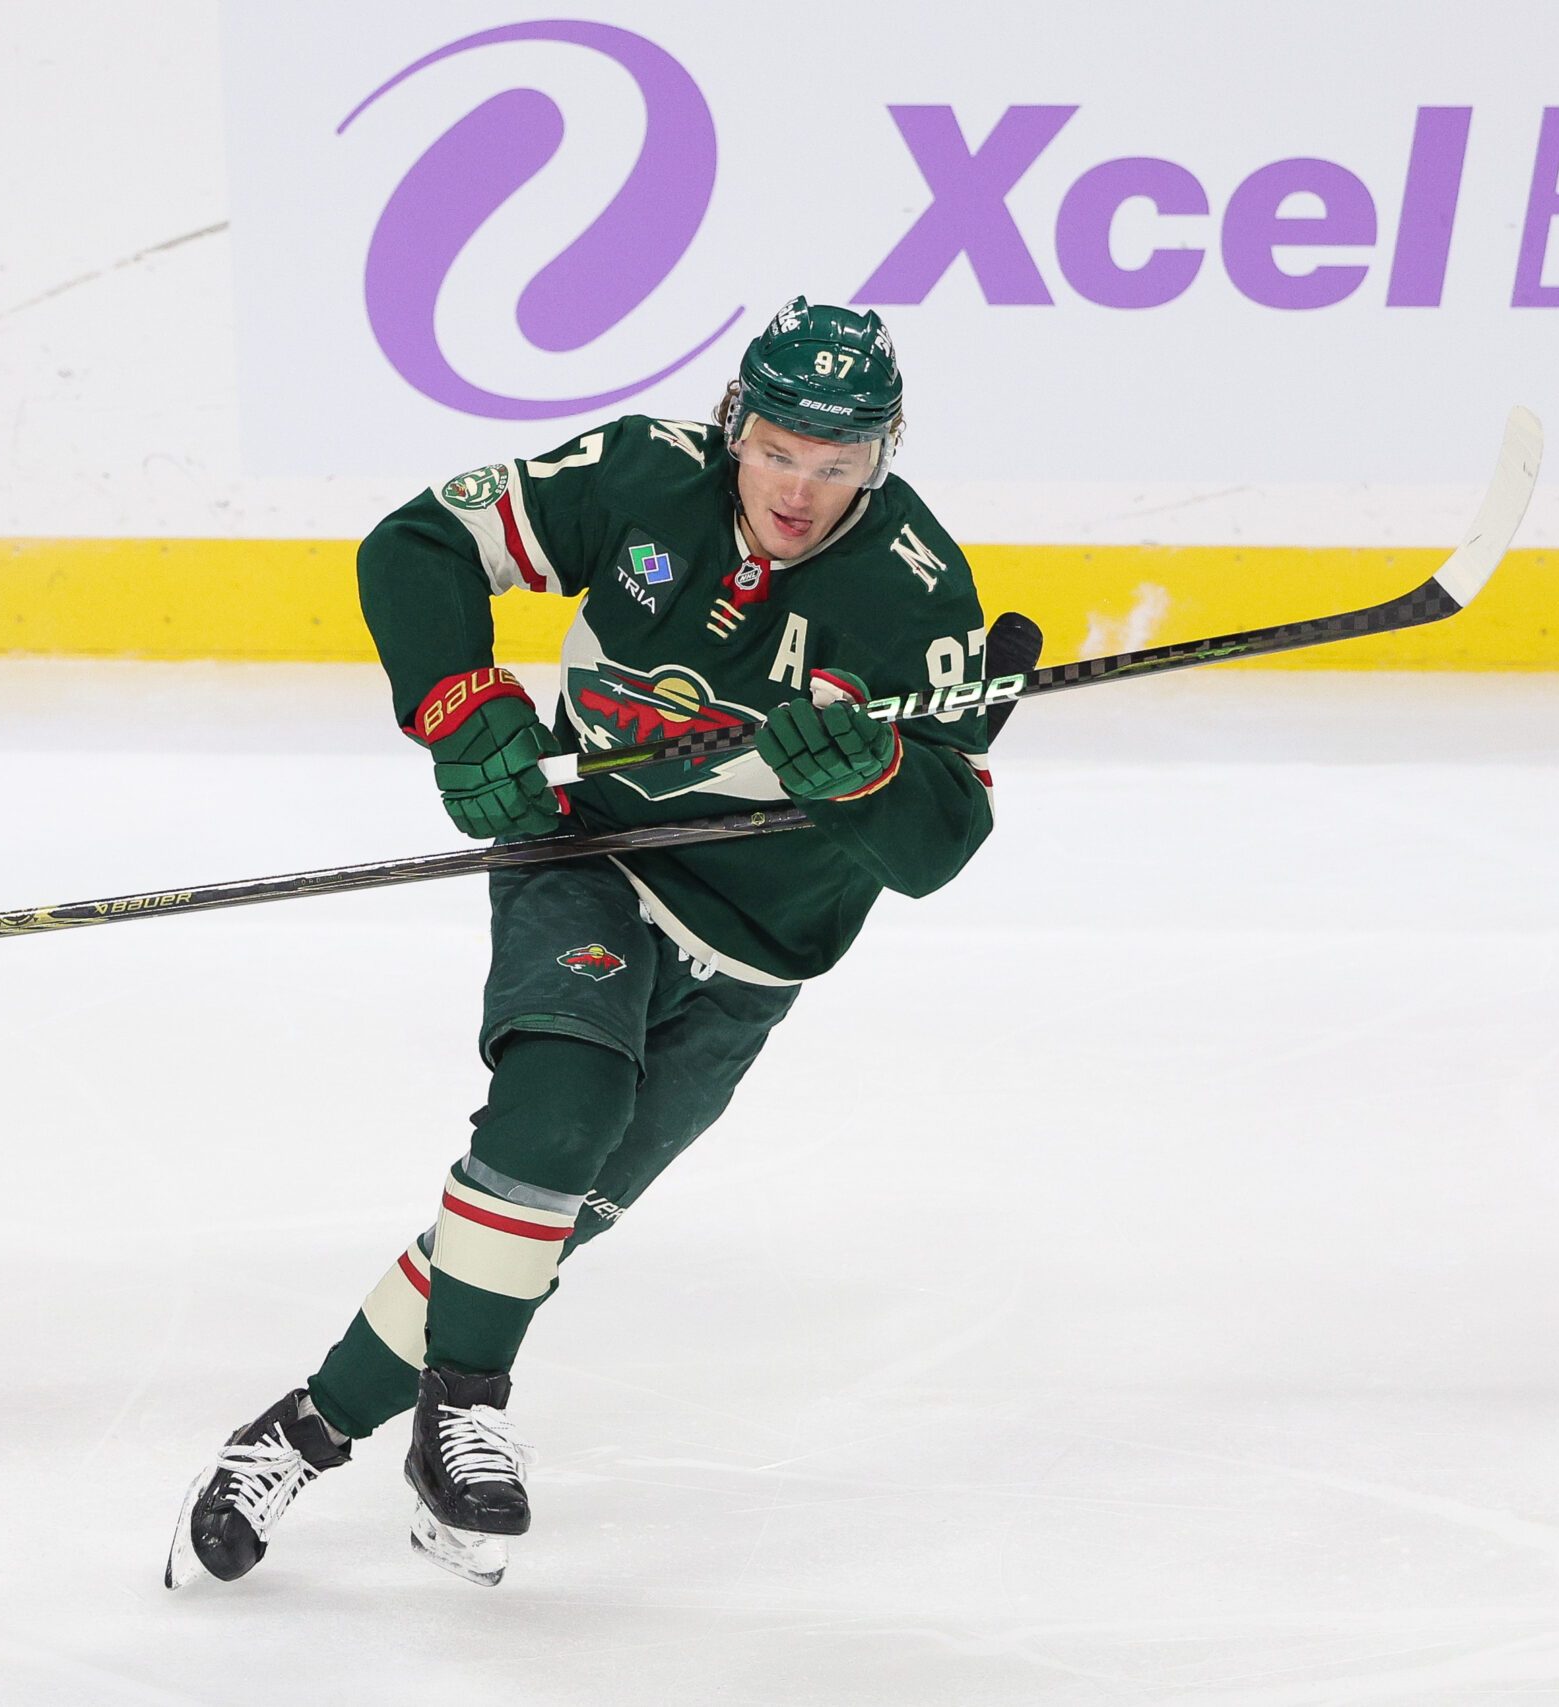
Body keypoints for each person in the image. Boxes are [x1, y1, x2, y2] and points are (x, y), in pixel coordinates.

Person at [168, 300, 999, 1586]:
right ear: (737, 423)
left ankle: (304, 1430)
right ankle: (471, 1417)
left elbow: (936, 849)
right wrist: (458, 702)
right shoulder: (640, 478)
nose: (800, 489)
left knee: (523, 1224)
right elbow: (421, 539)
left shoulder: (916, 592)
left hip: (762, 951)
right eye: (781, 449)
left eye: (838, 465)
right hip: (590, 860)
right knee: (556, 1115)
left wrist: (876, 775)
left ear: (883, 456)